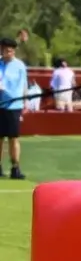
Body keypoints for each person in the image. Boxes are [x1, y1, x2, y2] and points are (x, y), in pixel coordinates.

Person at [0, 37, 28, 180]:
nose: (6, 53)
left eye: (9, 51)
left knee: (13, 137)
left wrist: (25, 102)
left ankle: (15, 167)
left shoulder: (19, 66)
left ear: (14, 51)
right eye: (4, 50)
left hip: (14, 105)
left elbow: (24, 85)